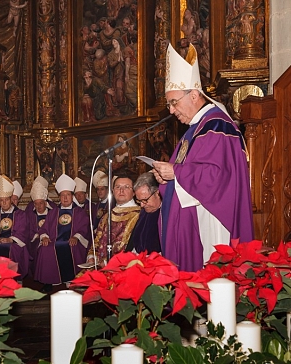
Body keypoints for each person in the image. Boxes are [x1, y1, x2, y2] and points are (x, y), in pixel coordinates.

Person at [151, 43, 253, 271]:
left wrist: (175, 173)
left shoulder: (216, 126)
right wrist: (166, 178)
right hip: (194, 216)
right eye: (169, 104)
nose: (171, 110)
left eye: (173, 102)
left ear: (194, 95)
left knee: (211, 280)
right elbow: (186, 172)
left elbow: (218, 177)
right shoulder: (194, 129)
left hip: (211, 219)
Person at [34, 174, 90, 291]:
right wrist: (44, 237)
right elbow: (44, 229)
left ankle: (73, 279)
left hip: (72, 241)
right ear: (59, 197)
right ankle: (49, 281)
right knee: (45, 249)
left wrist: (76, 237)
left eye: (68, 195)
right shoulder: (53, 212)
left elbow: (84, 228)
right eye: (62, 195)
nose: (65, 198)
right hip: (54, 241)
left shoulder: (79, 212)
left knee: (73, 247)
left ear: (72, 196)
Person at [0, 175, 30, 278]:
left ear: (11, 199)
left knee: (15, 250)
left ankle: (14, 279)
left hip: (13, 243)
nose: (4, 203)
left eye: (6, 200)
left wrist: (10, 240)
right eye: (1, 200)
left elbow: (23, 231)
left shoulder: (20, 214)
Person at [85, 175, 140, 268]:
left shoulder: (139, 215)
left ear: (134, 192)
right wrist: (92, 256)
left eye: (126, 187)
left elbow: (128, 245)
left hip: (122, 267)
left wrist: (108, 262)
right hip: (98, 266)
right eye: (118, 187)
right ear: (113, 191)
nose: (121, 190)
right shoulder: (107, 216)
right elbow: (97, 240)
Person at [24, 176, 56, 276]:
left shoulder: (54, 209)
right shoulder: (30, 211)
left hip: (51, 238)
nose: (38, 206)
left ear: (46, 203)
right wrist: (37, 236)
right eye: (36, 204)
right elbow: (26, 228)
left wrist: (47, 236)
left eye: (41, 203)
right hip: (34, 240)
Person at [126, 172, 162, 254]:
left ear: (157, 192)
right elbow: (134, 244)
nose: (142, 205)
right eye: (139, 201)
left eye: (145, 200)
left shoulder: (167, 214)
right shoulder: (144, 212)